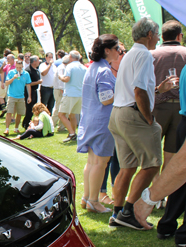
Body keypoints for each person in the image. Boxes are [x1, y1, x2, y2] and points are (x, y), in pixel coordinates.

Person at [108, 17, 174, 230]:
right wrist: (148, 117)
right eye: (156, 35)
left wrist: (156, 90)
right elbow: (138, 91)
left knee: (127, 167)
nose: (158, 38)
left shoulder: (128, 55)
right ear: (149, 35)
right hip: (133, 115)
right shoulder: (144, 54)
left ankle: (118, 213)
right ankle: (129, 213)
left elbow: (133, 88)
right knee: (152, 164)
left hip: (118, 114)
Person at [76, 34, 122, 214]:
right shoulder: (103, 71)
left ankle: (87, 198)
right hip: (102, 122)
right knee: (100, 163)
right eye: (117, 48)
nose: (119, 51)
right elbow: (105, 99)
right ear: (107, 50)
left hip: (90, 120)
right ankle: (94, 200)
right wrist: (124, 91)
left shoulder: (93, 67)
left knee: (93, 162)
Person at [151, 20, 186, 211]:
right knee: (172, 155)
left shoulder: (152, 55)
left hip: (157, 108)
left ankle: (154, 195)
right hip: (181, 109)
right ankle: (164, 196)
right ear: (179, 36)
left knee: (153, 155)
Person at [58, 51, 86, 142]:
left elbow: (67, 79)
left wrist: (61, 77)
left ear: (70, 57)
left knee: (61, 114)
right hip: (80, 94)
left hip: (70, 93)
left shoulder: (70, 66)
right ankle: (72, 133)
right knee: (72, 115)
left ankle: (72, 133)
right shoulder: (83, 67)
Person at [3, 60, 31, 136]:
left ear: (22, 67)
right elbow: (6, 83)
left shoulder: (26, 74)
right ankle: (7, 129)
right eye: (17, 67)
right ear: (15, 66)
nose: (18, 69)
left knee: (19, 113)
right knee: (9, 112)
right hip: (12, 95)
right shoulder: (11, 72)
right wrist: (13, 78)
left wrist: (29, 96)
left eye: (20, 67)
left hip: (21, 96)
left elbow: (28, 85)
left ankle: (16, 128)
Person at [23, 56, 43, 129]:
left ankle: (25, 122)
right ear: (34, 62)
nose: (39, 62)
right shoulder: (28, 71)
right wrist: (38, 82)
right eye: (38, 61)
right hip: (29, 91)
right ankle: (26, 124)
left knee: (33, 108)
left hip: (35, 91)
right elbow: (27, 83)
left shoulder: (36, 70)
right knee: (29, 109)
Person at [53, 54, 69, 131]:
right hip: (60, 90)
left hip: (62, 90)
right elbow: (61, 81)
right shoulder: (62, 68)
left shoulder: (65, 67)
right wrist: (63, 92)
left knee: (63, 109)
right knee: (58, 108)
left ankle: (61, 127)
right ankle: (52, 125)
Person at [0, 54, 16, 118]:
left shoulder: (16, 66)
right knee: (8, 101)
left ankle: (13, 117)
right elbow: (0, 72)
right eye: (7, 59)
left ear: (12, 59)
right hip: (8, 85)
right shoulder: (7, 66)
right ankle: (9, 116)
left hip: (15, 85)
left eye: (8, 59)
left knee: (14, 101)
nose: (7, 60)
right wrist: (2, 66)